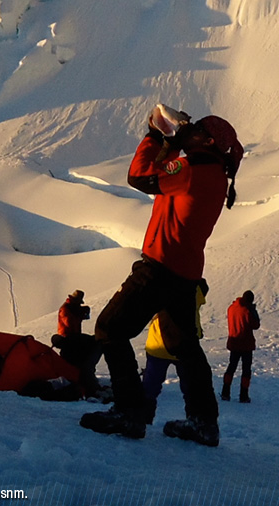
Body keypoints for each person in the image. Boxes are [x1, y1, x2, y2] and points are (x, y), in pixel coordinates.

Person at [81, 104, 243, 446]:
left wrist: (156, 134)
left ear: (209, 140)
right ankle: (203, 423)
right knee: (184, 345)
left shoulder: (192, 168)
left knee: (109, 328)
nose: (190, 129)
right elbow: (162, 173)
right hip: (185, 273)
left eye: (197, 129)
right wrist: (173, 142)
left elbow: (140, 176)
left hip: (160, 265)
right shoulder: (212, 172)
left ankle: (129, 412)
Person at [140, 280, 207, 424]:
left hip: (158, 343)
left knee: (150, 385)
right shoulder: (196, 290)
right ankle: (194, 420)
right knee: (190, 386)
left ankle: (142, 418)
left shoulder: (162, 284)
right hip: (184, 344)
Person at [53, 290, 101, 397]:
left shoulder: (71, 308)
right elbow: (70, 324)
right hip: (68, 339)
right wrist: (79, 314)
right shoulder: (66, 309)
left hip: (73, 339)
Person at [221, 289, 260, 403]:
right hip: (246, 344)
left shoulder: (231, 308)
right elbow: (255, 325)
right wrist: (253, 311)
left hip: (234, 343)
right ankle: (243, 395)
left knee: (231, 367)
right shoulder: (247, 311)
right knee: (246, 370)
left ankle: (225, 392)